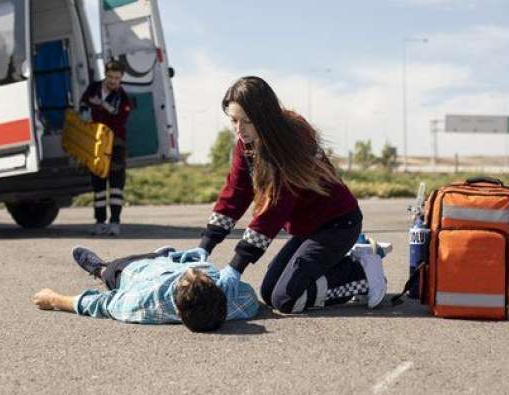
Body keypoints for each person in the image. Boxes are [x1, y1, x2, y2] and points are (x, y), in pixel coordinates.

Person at [183, 76, 387, 314]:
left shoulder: (293, 141)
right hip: (308, 230)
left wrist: (237, 266)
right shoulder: (247, 144)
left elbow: (274, 209)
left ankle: (360, 273)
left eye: (247, 121)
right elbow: (236, 192)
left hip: (338, 225)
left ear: (265, 117)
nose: (239, 130)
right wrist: (205, 246)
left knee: (287, 300)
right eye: (234, 121)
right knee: (269, 294)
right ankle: (344, 262)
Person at [32, 245, 259, 332]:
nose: (193, 270)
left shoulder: (143, 303)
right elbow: (251, 297)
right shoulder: (238, 301)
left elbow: (102, 303)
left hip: (133, 269)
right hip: (169, 260)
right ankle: (164, 254)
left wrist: (54, 300)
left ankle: (98, 268)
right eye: (205, 277)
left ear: (178, 310)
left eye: (187, 277)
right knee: (172, 257)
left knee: (109, 273)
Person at [79, 60, 132, 235]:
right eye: (110, 77)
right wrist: (85, 113)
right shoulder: (93, 88)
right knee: (98, 183)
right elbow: (83, 103)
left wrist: (102, 108)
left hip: (116, 145)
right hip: (95, 144)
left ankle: (115, 223)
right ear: (106, 74)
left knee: (116, 184)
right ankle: (100, 222)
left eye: (117, 78)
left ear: (121, 78)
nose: (113, 81)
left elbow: (119, 122)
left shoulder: (123, 98)